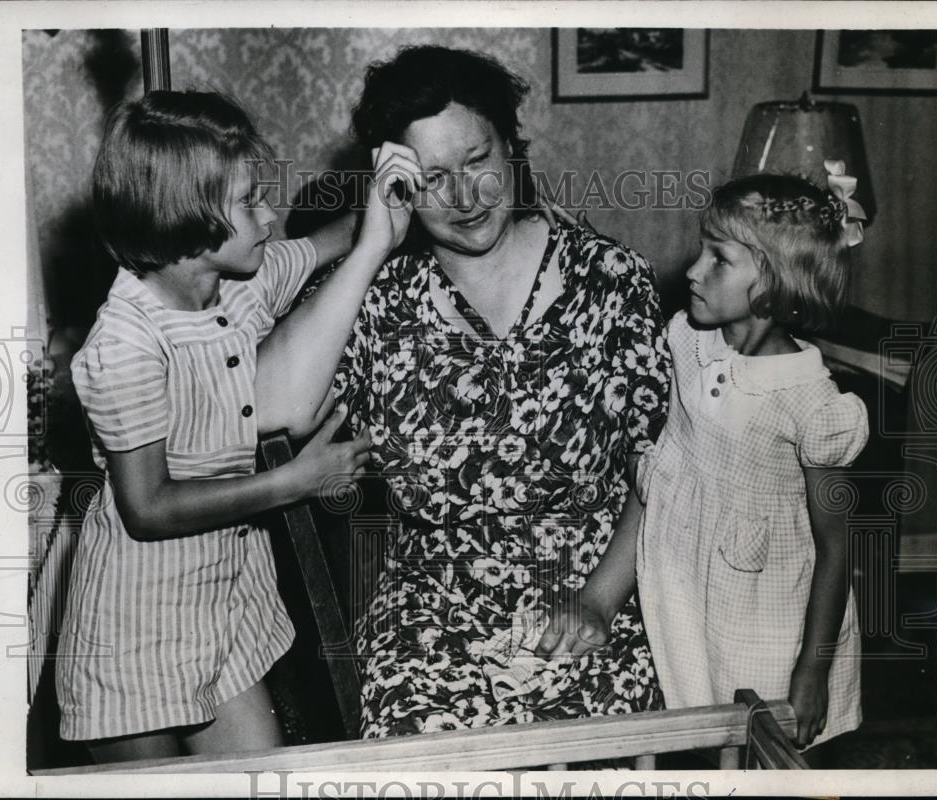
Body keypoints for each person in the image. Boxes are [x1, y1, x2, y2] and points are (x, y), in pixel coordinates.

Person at [261, 45, 672, 739]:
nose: (464, 198)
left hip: (602, 588)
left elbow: (662, 462)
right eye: (431, 178)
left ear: (513, 148)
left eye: (478, 161)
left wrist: (598, 601)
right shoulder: (383, 302)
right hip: (438, 609)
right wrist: (368, 249)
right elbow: (270, 408)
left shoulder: (611, 279)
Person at [55, 89, 422, 762]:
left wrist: (386, 204)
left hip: (224, 607)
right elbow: (148, 507)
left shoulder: (234, 279)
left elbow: (324, 243)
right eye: (251, 202)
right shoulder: (124, 345)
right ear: (186, 223)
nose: (269, 215)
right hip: (136, 626)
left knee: (261, 776)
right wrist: (294, 481)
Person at [635, 168, 870, 750]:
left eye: (719, 258)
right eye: (701, 250)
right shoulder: (688, 342)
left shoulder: (812, 404)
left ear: (772, 283)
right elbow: (671, 464)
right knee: (704, 735)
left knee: (761, 747)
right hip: (691, 587)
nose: (693, 270)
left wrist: (811, 669)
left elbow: (836, 545)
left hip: (772, 619)